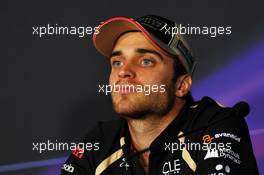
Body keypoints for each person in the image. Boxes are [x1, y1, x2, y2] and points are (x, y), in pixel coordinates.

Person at [61, 15, 259, 175]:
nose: (123, 72)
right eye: (117, 62)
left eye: (146, 61)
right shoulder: (100, 140)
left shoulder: (215, 124)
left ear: (181, 85)